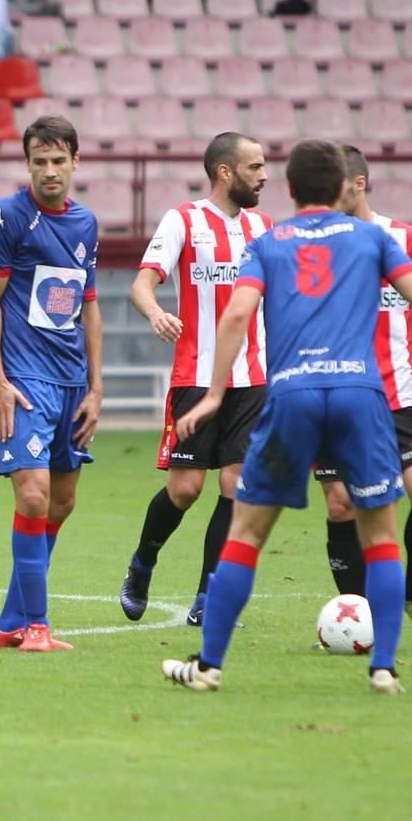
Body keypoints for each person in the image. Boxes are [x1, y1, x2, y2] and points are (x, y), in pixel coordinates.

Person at [161, 139, 412, 696]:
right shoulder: (372, 238)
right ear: (344, 188)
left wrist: (216, 393)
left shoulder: (271, 241)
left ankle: (209, 665)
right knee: (382, 535)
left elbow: (237, 313)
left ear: (290, 190)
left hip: (291, 394)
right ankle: (384, 666)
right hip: (360, 396)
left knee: (245, 533)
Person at [121, 132, 271, 628]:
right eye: (254, 167)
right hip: (195, 376)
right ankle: (143, 562)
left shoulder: (265, 227)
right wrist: (155, 313)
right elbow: (142, 285)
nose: (264, 176)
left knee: (235, 485)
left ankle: (209, 592)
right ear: (225, 172)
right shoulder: (183, 220)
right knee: (185, 489)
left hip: (251, 380)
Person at [0, 114, 103, 653]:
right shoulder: (4, 218)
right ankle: (39, 626)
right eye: (38, 161)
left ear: (75, 161)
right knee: (32, 496)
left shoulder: (86, 223)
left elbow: (88, 307)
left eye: (58, 160)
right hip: (23, 379)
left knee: (61, 502)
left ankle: (9, 622)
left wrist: (96, 388)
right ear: (27, 164)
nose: (49, 171)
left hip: (71, 380)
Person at [316, 146, 412, 648]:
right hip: (336, 395)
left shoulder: (406, 238)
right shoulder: (318, 244)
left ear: (359, 183)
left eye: (337, 185)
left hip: (399, 395)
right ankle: (364, 620)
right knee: (340, 507)